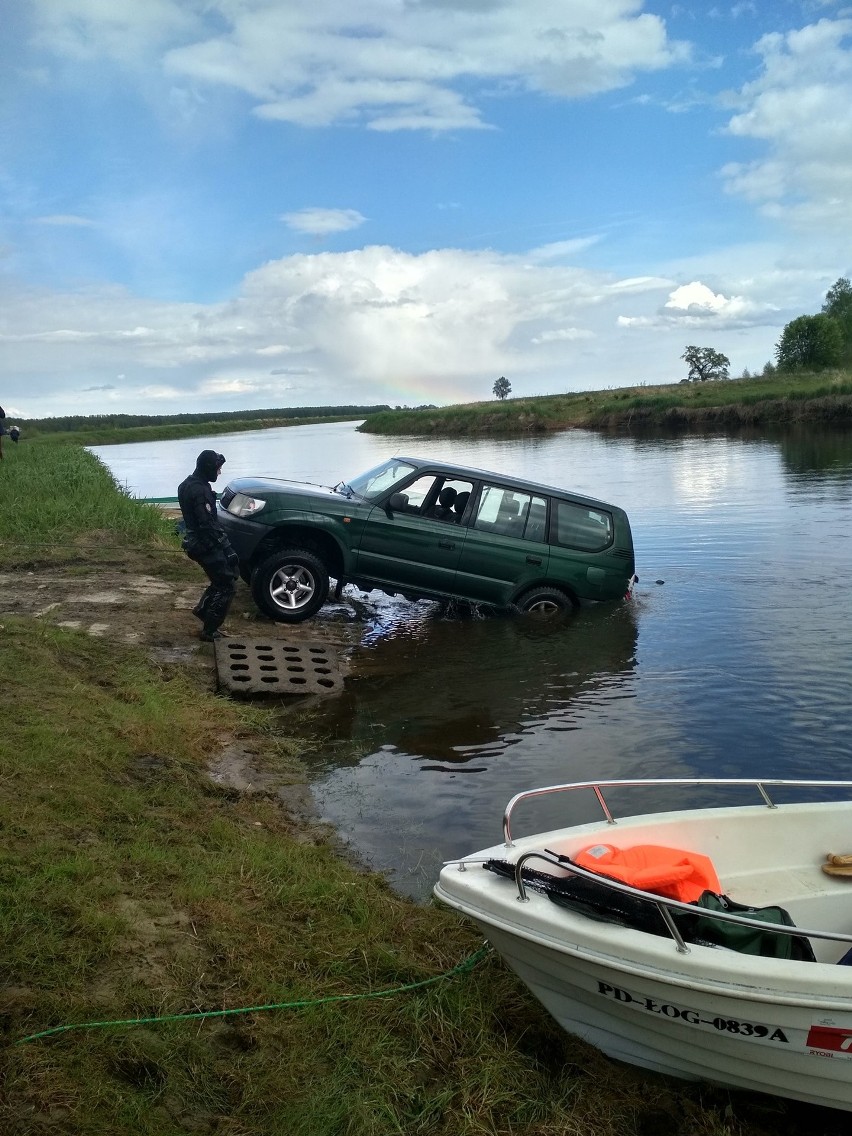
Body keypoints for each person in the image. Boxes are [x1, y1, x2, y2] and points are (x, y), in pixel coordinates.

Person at [177, 450, 239, 641]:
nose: (219, 473)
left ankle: (203, 611)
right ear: (208, 468)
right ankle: (210, 630)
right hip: (204, 544)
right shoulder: (200, 490)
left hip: (195, 541)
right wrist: (227, 548)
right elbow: (208, 524)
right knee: (227, 584)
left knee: (219, 580)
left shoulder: (186, 484)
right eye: (218, 469)